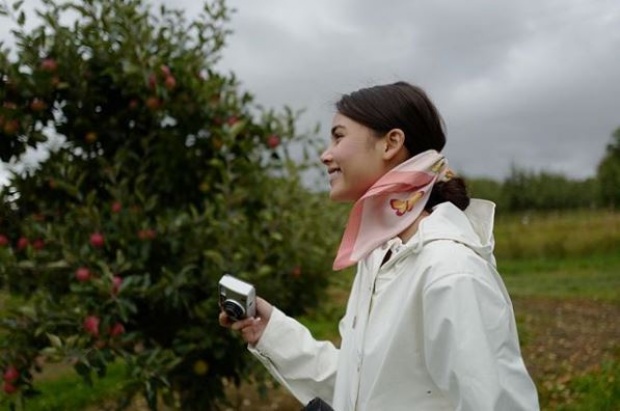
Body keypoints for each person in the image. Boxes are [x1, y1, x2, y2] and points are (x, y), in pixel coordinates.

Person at [219, 81, 540, 410]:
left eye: (338, 136)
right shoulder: (381, 259)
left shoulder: (448, 270)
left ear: (391, 143)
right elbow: (360, 386)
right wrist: (270, 331)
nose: (325, 155)